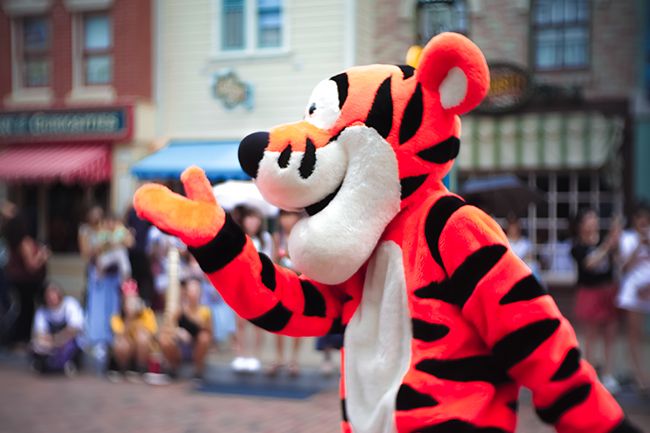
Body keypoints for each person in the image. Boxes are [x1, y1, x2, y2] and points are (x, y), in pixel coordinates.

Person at [570, 208, 621, 393]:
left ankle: (608, 374)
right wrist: (607, 245)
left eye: (594, 217)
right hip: (589, 292)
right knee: (590, 334)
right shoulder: (577, 246)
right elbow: (588, 264)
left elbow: (618, 262)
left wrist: (616, 244)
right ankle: (590, 373)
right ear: (580, 225)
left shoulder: (605, 240)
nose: (594, 221)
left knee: (610, 332)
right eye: (589, 218)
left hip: (608, 289)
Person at [231, 207, 272, 372]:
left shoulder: (265, 238)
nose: (253, 221)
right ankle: (241, 355)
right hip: (240, 284)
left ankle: (255, 356)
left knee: (257, 322)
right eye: (249, 217)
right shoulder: (238, 237)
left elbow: (270, 261)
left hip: (258, 284)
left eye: (256, 217)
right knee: (240, 322)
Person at [617, 202, 650, 391]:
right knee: (634, 332)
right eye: (639, 217)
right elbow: (625, 268)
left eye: (645, 217)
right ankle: (639, 374)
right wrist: (639, 244)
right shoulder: (627, 238)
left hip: (648, 289)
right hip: (632, 292)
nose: (642, 221)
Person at [4, 209, 48, 348]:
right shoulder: (25, 241)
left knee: (22, 309)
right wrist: (43, 255)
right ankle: (23, 340)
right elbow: (32, 266)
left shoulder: (12, 242)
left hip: (17, 280)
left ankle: (18, 340)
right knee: (27, 311)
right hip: (28, 282)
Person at [267, 210, 304, 377]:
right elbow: (273, 261)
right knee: (278, 321)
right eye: (283, 216)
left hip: (298, 284)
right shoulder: (277, 238)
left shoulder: (302, 236)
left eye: (290, 215)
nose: (286, 220)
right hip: (281, 284)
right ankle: (279, 357)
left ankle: (294, 360)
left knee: (298, 322)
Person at [80, 205, 121, 349]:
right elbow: (85, 253)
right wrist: (99, 246)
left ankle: (112, 336)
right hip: (98, 271)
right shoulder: (86, 231)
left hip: (113, 272)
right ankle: (97, 337)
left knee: (113, 304)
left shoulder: (111, 229)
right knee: (97, 304)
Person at [160, 278, 212, 380]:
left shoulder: (205, 311)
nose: (193, 293)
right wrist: (177, 332)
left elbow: (210, 332)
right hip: (180, 346)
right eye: (191, 290)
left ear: (199, 293)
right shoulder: (180, 311)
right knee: (164, 338)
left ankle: (198, 369)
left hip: (196, 346)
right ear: (187, 292)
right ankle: (172, 366)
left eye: (195, 290)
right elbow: (168, 327)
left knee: (204, 337)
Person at [106, 279, 158, 383]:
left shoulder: (147, 313)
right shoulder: (116, 317)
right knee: (120, 343)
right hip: (128, 350)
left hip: (144, 352)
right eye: (128, 300)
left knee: (142, 336)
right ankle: (125, 369)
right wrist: (129, 318)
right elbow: (119, 336)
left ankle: (140, 369)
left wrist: (139, 325)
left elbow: (152, 334)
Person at [30, 282, 84, 375]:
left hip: (67, 342)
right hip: (51, 345)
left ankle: (66, 364)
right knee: (34, 345)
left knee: (71, 345)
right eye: (49, 295)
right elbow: (41, 334)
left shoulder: (70, 304)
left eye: (53, 294)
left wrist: (59, 338)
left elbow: (74, 328)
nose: (51, 298)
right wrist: (52, 341)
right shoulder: (42, 311)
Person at [125, 204, 154, 306]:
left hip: (143, 252)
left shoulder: (148, 213)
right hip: (133, 252)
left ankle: (144, 302)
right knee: (134, 279)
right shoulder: (131, 212)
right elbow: (127, 228)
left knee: (144, 280)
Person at [96, 213, 133, 282]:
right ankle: (98, 281)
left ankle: (125, 283)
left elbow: (130, 243)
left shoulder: (121, 230)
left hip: (120, 254)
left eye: (112, 222)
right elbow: (100, 247)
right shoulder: (103, 232)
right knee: (100, 262)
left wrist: (124, 240)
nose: (111, 224)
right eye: (109, 222)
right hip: (108, 254)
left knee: (124, 264)